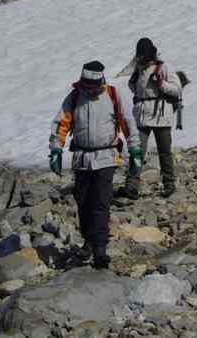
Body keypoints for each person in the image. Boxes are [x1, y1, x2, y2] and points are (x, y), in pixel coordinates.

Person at [49, 60, 142, 269]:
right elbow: (61, 124)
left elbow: (128, 123)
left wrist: (135, 151)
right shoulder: (75, 97)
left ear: (101, 82)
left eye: (94, 87)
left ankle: (100, 249)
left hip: (106, 157)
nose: (91, 91)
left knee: (100, 202)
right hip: (82, 159)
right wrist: (55, 150)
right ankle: (89, 241)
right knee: (83, 202)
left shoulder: (113, 95)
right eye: (87, 87)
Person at [117, 37, 182, 200]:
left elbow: (177, 89)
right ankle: (132, 186)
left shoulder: (164, 67)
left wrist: (161, 85)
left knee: (164, 152)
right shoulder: (139, 69)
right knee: (138, 152)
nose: (140, 58)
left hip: (161, 116)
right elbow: (135, 88)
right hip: (144, 116)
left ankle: (169, 184)